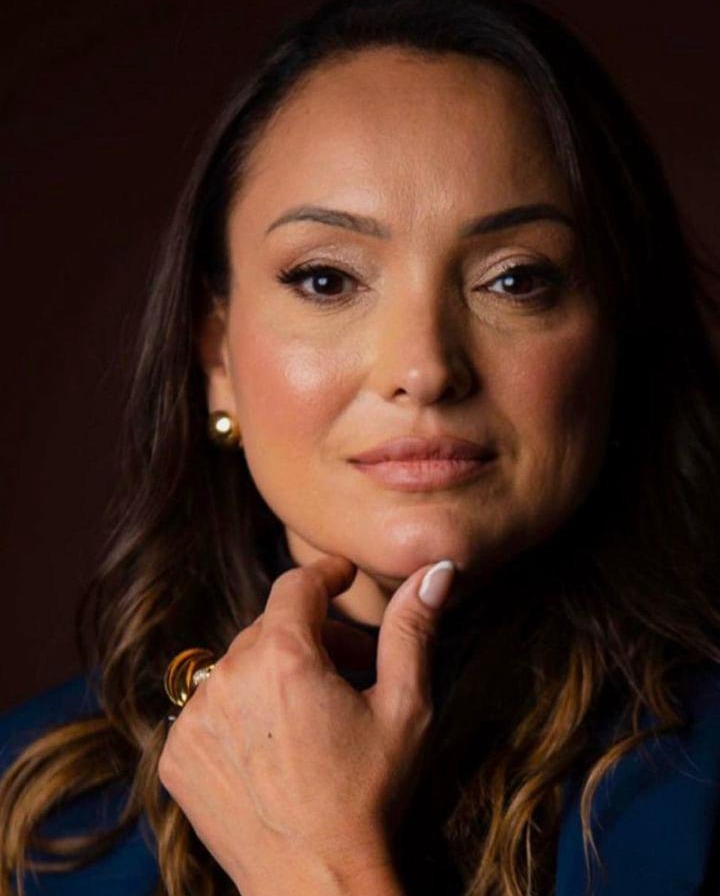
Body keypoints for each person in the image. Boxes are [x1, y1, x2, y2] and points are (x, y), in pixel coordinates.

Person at [2, 0, 720, 893]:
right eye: (326, 279)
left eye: (515, 279)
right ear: (217, 356)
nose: (424, 368)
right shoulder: (30, 818)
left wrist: (316, 867)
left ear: (617, 336)